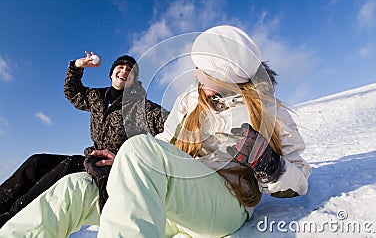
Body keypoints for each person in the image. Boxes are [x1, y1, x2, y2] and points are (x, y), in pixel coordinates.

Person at [0, 25, 311, 238]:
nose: (194, 73)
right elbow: (164, 145)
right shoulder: (190, 99)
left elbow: (298, 184)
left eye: (201, 68)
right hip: (173, 202)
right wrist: (119, 161)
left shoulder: (271, 113)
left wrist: (271, 166)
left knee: (137, 150)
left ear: (224, 73)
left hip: (223, 206)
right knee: (76, 186)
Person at [0, 52, 167, 227]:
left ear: (135, 80)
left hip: (115, 164)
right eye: (120, 67)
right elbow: (72, 92)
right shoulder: (97, 97)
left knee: (70, 164)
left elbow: (167, 122)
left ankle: (13, 215)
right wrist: (77, 66)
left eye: (130, 70)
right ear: (112, 74)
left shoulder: (140, 106)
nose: (124, 71)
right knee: (36, 162)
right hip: (92, 157)